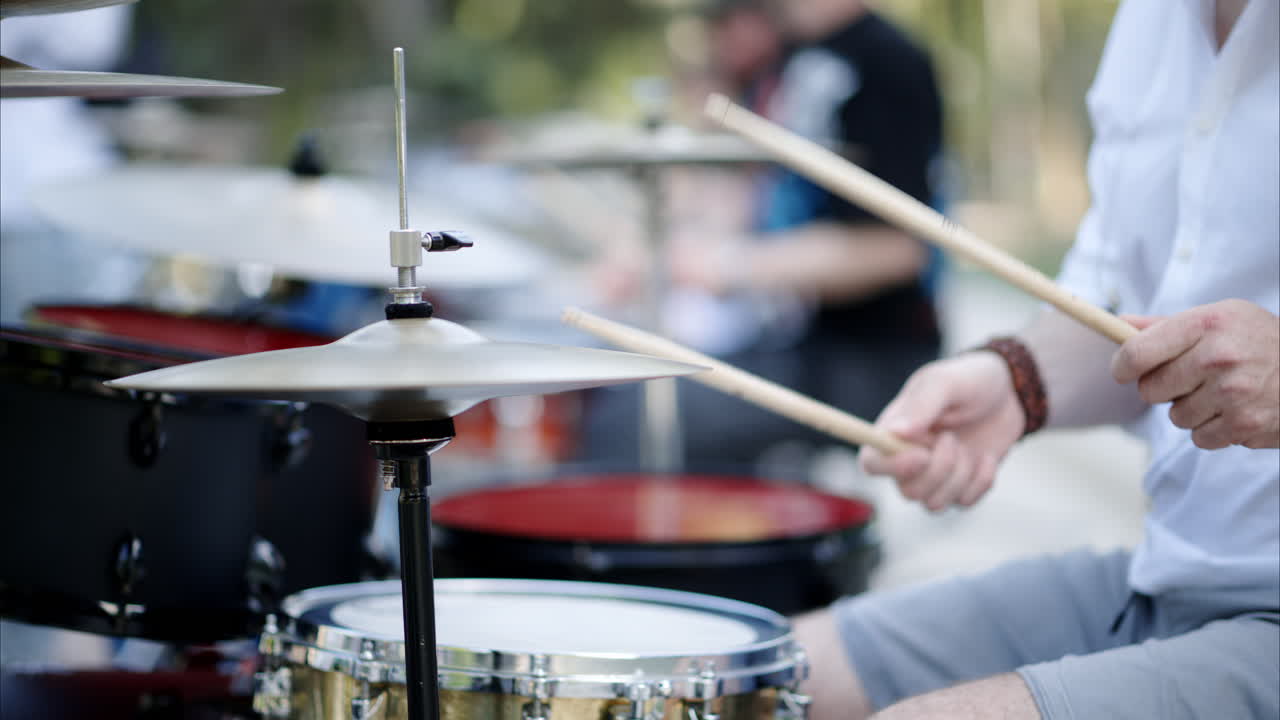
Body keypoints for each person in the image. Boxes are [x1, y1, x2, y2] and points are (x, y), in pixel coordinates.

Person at [794, 0, 1279, 717]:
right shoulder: (1152, 20)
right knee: (770, 671)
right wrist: (1010, 380)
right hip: (1169, 575)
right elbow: (1120, 307)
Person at [580, 0, 945, 471]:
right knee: (617, 383)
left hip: (869, 359)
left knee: (635, 422)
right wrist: (645, 245)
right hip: (789, 342)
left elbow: (897, 250)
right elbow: (742, 191)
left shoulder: (887, 62)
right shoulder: (787, 57)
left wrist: (724, 266)